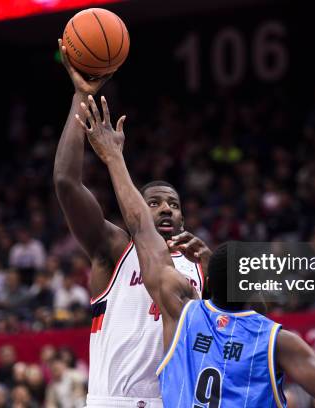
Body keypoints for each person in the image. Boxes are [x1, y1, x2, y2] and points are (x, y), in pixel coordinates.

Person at [79, 96, 315, 407]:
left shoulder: (187, 316)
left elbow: (142, 229)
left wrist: (113, 157)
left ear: (208, 286)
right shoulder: (275, 340)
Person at [54, 40, 211, 407]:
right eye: (153, 203)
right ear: (136, 206)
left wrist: (213, 268)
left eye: (173, 204)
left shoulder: (201, 265)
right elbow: (66, 183)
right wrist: (80, 95)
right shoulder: (115, 249)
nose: (166, 210)